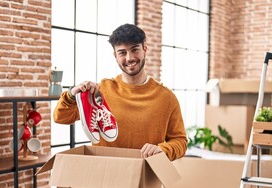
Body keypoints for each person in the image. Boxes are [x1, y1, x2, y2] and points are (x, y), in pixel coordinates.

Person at [53, 23, 187, 161]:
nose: (129, 58)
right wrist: (71, 95)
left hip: (145, 175)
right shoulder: (100, 91)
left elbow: (180, 141)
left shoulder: (167, 97)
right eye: (122, 52)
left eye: (135, 50)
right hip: (104, 174)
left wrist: (162, 149)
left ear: (145, 50)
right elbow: (61, 117)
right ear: (115, 56)